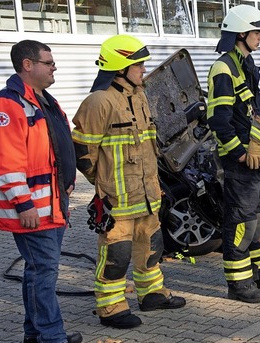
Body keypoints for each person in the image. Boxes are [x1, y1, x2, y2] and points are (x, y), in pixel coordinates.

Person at [0, 40, 86, 343]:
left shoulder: (45, 101)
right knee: (44, 272)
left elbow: (58, 145)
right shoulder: (6, 106)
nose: (54, 67)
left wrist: (67, 182)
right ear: (28, 65)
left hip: (52, 203)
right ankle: (52, 342)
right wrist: (23, 204)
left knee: (36, 271)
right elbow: (5, 163)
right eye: (48, 62)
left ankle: (35, 334)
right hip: (33, 209)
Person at [72, 34, 186, 328]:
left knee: (152, 247)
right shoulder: (99, 101)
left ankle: (152, 295)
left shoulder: (139, 96)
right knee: (116, 254)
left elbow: (149, 147)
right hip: (118, 199)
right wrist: (105, 183)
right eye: (139, 65)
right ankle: (111, 308)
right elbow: (83, 154)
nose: (144, 70)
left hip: (147, 195)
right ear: (121, 67)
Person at [207, 4, 260, 303]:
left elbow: (252, 110)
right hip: (240, 159)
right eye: (257, 33)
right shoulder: (224, 68)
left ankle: (257, 272)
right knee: (241, 221)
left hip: (256, 155)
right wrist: (239, 153)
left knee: (257, 219)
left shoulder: (246, 64)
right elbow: (218, 120)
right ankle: (238, 284)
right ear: (241, 33)